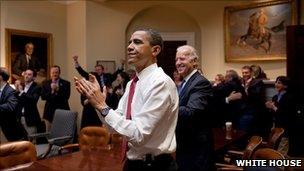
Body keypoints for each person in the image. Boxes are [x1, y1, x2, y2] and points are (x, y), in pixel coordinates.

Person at [75, 28, 178, 171]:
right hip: (132, 163)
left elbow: (139, 135)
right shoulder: (132, 83)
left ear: (155, 50)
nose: (129, 47)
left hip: (155, 165)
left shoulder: (160, 82)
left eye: (137, 42)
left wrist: (103, 106)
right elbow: (113, 127)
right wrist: (99, 105)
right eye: (129, 42)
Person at [175, 45, 215, 171]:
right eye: (176, 60)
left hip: (195, 147)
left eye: (182, 59)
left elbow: (191, 112)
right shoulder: (186, 81)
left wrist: (166, 107)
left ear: (194, 61)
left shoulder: (200, 82)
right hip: (185, 144)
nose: (178, 63)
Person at [241, 65, 270, 137]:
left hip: (253, 110)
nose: (244, 74)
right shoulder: (241, 82)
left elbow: (256, 96)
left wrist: (247, 88)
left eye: (246, 73)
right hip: (242, 109)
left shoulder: (257, 82)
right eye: (243, 73)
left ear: (251, 73)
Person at [0, 67, 27, 141]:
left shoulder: (10, 91)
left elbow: (10, 106)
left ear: (1, 77)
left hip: (13, 133)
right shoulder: (2, 90)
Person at [41, 65, 70, 130]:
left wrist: (57, 90)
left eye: (56, 72)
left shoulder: (66, 83)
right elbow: (43, 97)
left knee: (62, 133)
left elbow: (66, 97)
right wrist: (52, 91)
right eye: (53, 72)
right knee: (49, 134)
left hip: (63, 112)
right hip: (49, 114)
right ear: (50, 73)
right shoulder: (45, 83)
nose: (54, 74)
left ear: (59, 73)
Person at [15, 69, 42, 136]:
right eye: (26, 74)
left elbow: (33, 101)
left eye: (29, 74)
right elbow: (17, 101)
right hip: (20, 118)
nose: (26, 76)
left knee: (31, 141)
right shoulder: (22, 86)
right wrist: (16, 90)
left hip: (30, 119)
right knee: (21, 142)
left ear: (34, 77)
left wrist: (22, 92)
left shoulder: (37, 87)